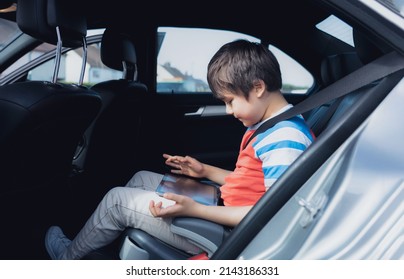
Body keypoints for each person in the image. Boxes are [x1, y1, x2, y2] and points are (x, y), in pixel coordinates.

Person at [45, 39, 315, 260]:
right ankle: (103, 242)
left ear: (258, 87)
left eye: (230, 101)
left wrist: (194, 210)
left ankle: (67, 260)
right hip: (224, 208)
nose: (229, 111)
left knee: (117, 200)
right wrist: (203, 170)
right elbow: (253, 184)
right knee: (140, 177)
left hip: (228, 233)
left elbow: (273, 213)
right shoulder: (271, 126)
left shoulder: (286, 138)